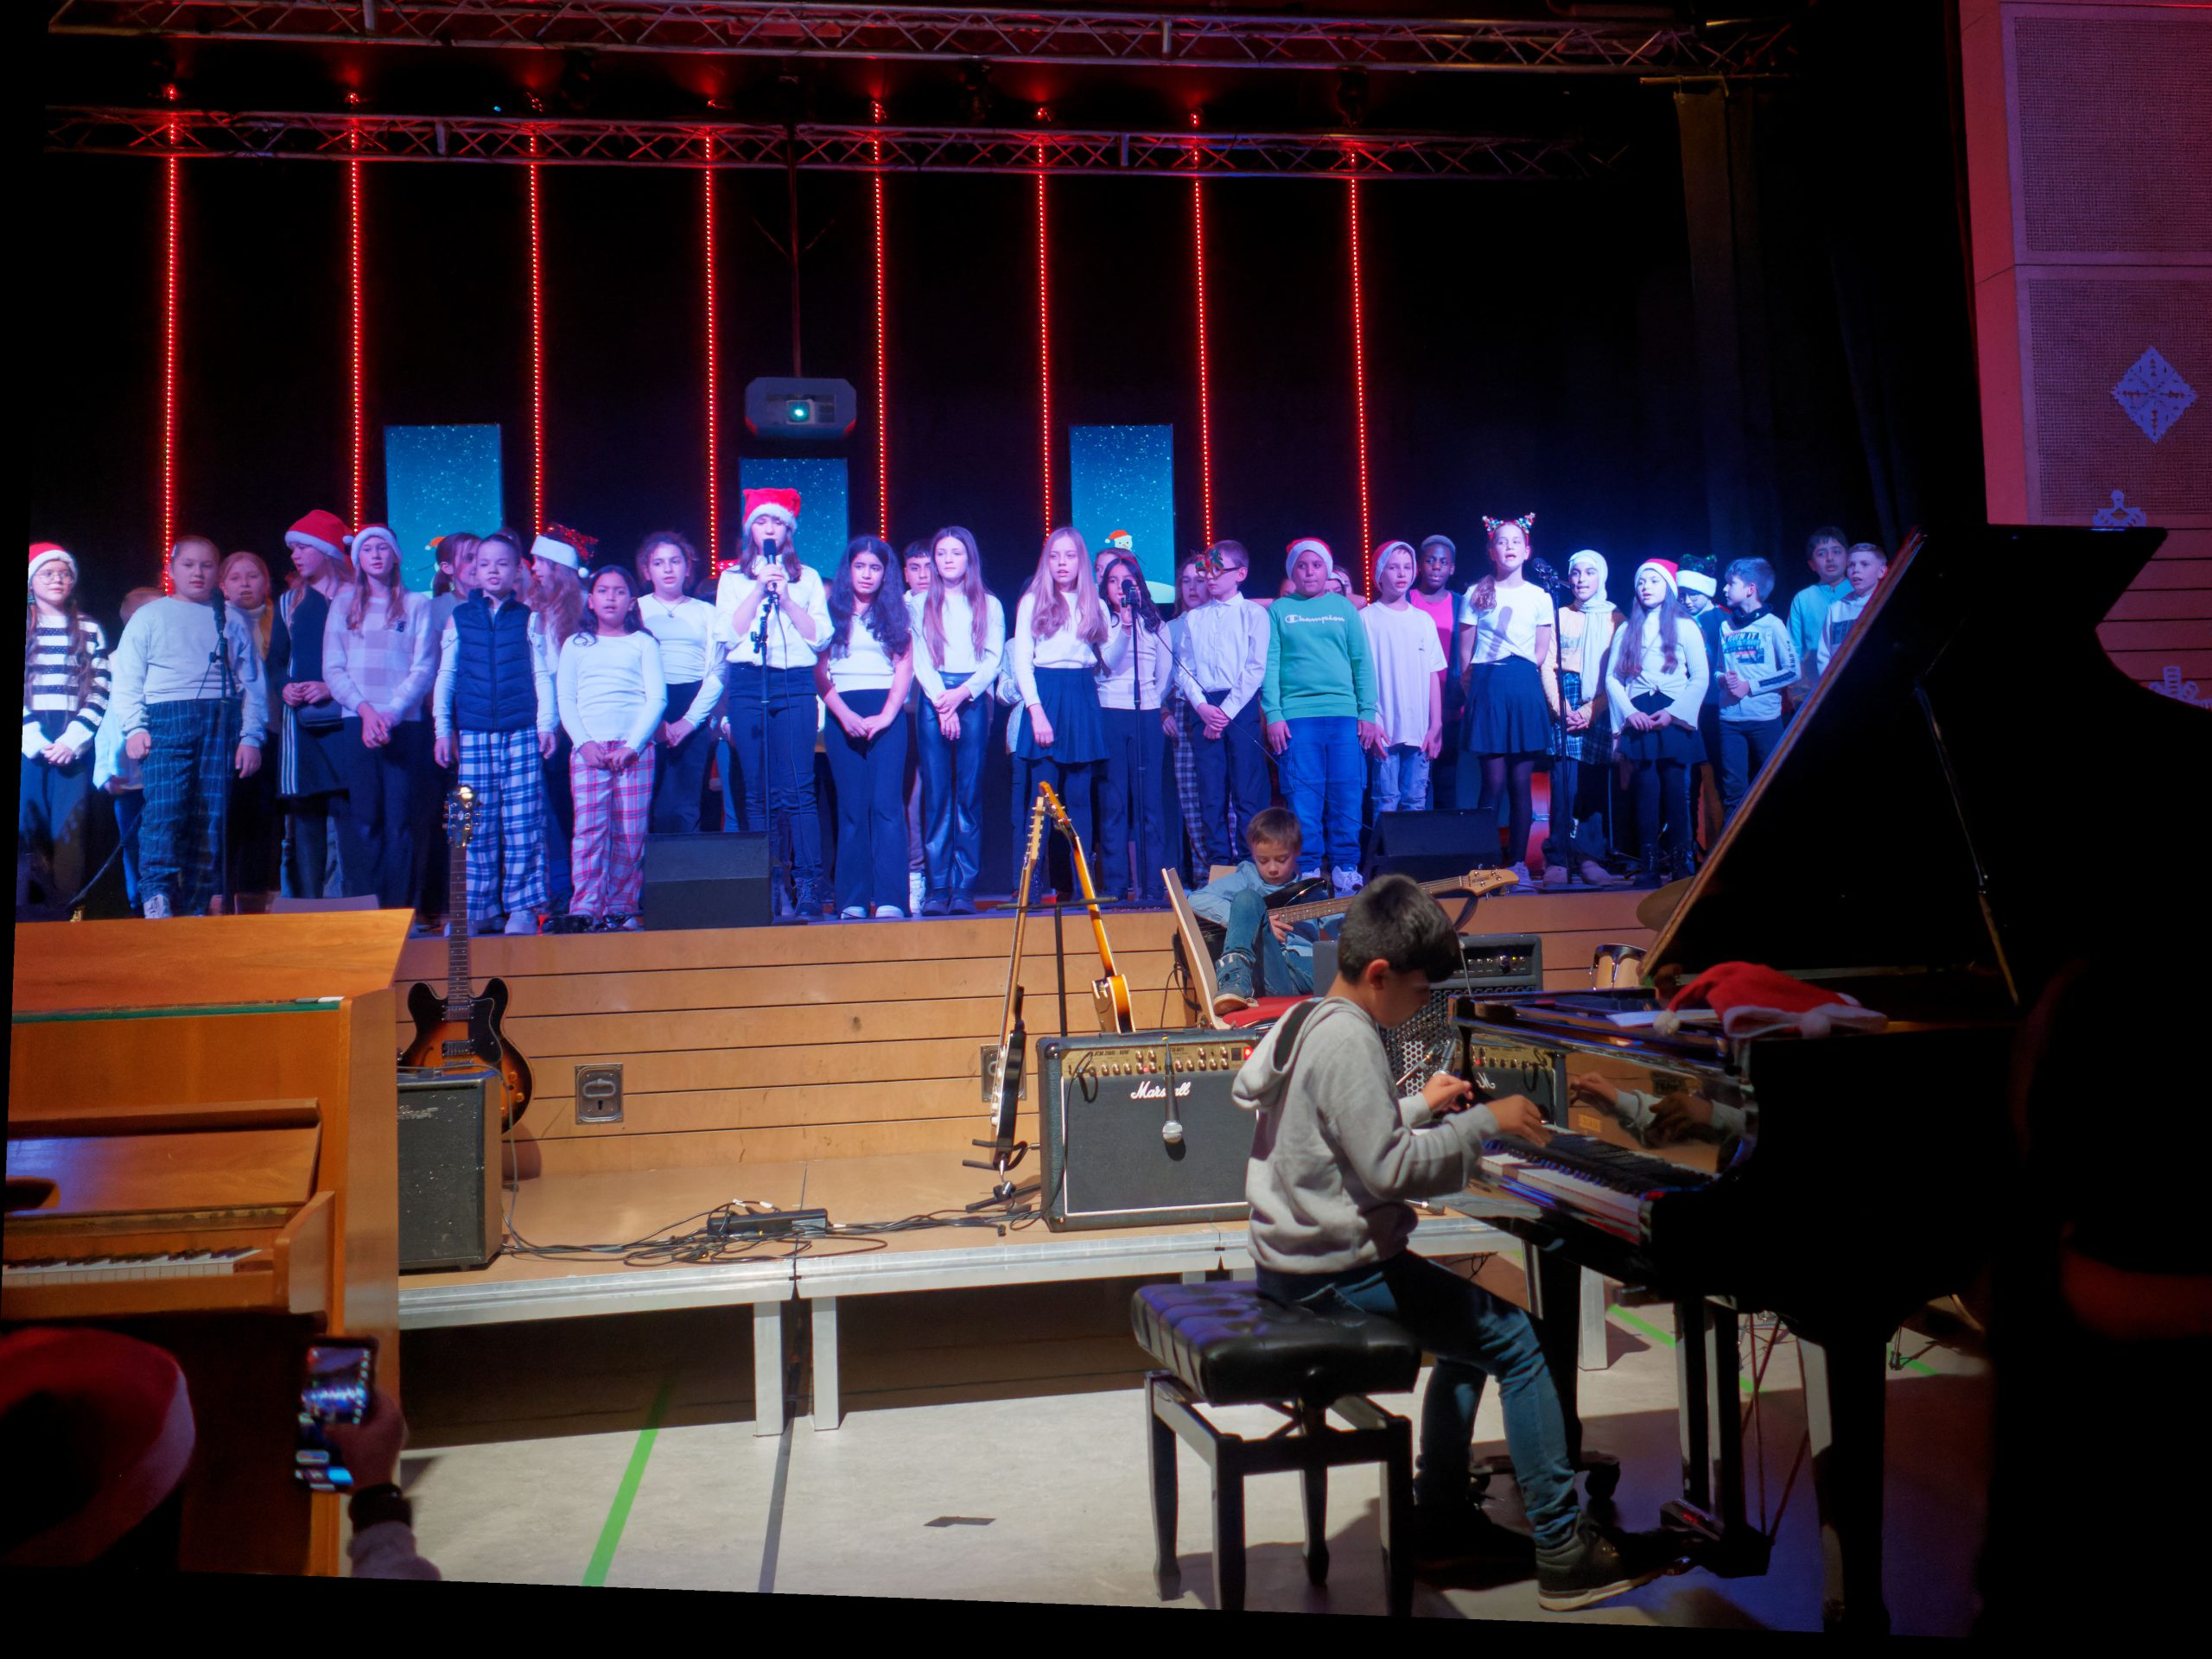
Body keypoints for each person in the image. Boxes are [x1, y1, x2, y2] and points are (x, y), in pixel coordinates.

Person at [1233, 874, 1681, 1605]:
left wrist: (1418, 1105)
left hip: (1296, 1264)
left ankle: (1441, 1515)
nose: (1422, 1006)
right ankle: (1563, 1549)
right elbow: (1389, 1170)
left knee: (1469, 1336)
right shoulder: (1351, 1041)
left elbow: (1340, 1133)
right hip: (1337, 1275)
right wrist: (1483, 1123)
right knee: (1522, 1343)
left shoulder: (1312, 1018)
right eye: (1419, 992)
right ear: (1380, 974)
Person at [103, 535, 268, 918]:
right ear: (171, 570)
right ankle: (157, 899)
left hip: (220, 720)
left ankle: (197, 906)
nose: (198, 573)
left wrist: (251, 736)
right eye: (189, 565)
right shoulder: (150, 616)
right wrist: (135, 727)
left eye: (206, 566)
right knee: (165, 810)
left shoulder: (230, 618)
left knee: (210, 817)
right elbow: (127, 676)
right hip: (166, 717)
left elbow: (253, 683)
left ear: (217, 572)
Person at [432, 529, 556, 934]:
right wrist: (442, 729)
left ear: (517, 569)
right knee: (472, 823)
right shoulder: (460, 618)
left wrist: (546, 723)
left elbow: (541, 674)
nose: (492, 570)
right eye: (484, 563)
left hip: (520, 731)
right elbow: (447, 675)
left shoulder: (529, 618)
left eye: (502, 564)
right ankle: (474, 907)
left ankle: (522, 908)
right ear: (472, 569)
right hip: (473, 733)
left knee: (523, 821)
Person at [714, 487, 831, 917]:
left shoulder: (808, 578)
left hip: (795, 683)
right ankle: (768, 886)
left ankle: (809, 886)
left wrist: (786, 597)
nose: (769, 529)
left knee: (798, 789)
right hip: (748, 683)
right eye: (761, 521)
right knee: (758, 793)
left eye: (777, 522)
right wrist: (758, 589)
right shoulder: (732, 579)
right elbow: (727, 634)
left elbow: (820, 637)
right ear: (751, 529)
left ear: (788, 531)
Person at [324, 523, 437, 911]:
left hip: (402, 723)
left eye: (382, 548)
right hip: (358, 721)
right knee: (365, 818)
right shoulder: (343, 604)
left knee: (400, 820)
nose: (375, 555)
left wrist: (392, 712)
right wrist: (365, 710)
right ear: (358, 559)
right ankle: (366, 909)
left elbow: (424, 667)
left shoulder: (417, 605)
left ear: (395, 556)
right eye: (367, 549)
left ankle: (399, 911)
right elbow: (333, 668)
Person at [1008, 525, 1127, 892]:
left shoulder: (1095, 605)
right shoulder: (1033, 601)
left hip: (1081, 695)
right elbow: (1022, 662)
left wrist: (1125, 626)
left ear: (1081, 562)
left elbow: (1109, 661)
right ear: (1047, 561)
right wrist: (1036, 711)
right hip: (1046, 695)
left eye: (1070, 556)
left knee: (1079, 800)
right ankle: (1028, 886)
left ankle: (1081, 887)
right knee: (1042, 799)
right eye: (1055, 556)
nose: (1062, 563)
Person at [1263, 537, 1380, 896]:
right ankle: (1310, 867)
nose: (1309, 572)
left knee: (1347, 791)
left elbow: (1362, 662)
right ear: (1292, 571)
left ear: (1327, 570)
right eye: (1302, 565)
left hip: (1344, 715)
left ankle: (1346, 866)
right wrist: (1274, 714)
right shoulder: (1280, 611)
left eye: (1316, 565)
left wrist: (1368, 712)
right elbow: (1270, 665)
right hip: (1297, 717)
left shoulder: (1344, 609)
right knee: (1304, 796)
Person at [556, 563, 665, 931]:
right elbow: (566, 699)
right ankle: (585, 906)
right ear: (590, 600)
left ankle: (621, 905)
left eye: (619, 591)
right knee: (589, 831)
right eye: (603, 591)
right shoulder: (576, 644)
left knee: (630, 833)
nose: (611, 598)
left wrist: (633, 745)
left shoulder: (643, 643)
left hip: (634, 751)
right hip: (589, 750)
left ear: (632, 601)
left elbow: (657, 698)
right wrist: (583, 743)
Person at [1455, 513, 1558, 892]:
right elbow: (1465, 655)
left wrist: (1520, 676)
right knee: (1492, 782)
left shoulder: (1539, 596)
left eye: (1516, 541)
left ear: (1527, 551)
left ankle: (1517, 865)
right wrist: (1478, 691)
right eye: (1502, 541)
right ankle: (1483, 866)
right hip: (1488, 684)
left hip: (1522, 685)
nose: (1510, 547)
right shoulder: (1475, 593)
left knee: (1520, 782)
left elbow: (1540, 652)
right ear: (1491, 551)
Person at [817, 536, 914, 918]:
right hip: (843, 712)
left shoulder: (896, 613)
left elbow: (904, 667)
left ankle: (891, 898)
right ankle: (853, 899)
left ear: (885, 573)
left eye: (875, 568)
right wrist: (844, 714)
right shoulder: (830, 614)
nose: (867, 574)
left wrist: (887, 715)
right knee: (852, 809)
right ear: (849, 570)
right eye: (860, 566)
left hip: (885, 714)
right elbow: (819, 673)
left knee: (887, 806)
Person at [911, 526, 1005, 916]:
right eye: (942, 553)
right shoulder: (919, 603)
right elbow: (919, 658)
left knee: (968, 794)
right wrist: (941, 701)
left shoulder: (988, 604)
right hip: (934, 697)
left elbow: (993, 659)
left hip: (971, 698)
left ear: (969, 558)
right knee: (937, 795)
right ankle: (937, 887)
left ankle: (963, 887)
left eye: (956, 553)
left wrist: (960, 695)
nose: (948, 560)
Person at [1166, 539, 1272, 874]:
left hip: (1239, 707)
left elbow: (1255, 668)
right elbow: (1184, 668)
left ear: (1240, 573)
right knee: (1210, 792)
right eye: (1205, 570)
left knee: (1246, 790)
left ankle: (1249, 865)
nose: (1208, 576)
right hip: (1204, 707)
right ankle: (1218, 866)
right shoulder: (1194, 618)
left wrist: (1225, 712)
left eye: (1216, 570)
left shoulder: (1253, 614)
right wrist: (1201, 707)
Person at [1603, 558, 1709, 887]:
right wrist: (1629, 712)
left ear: (1669, 587)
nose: (1646, 587)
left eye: (1654, 581)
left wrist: (1674, 713)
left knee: (1677, 790)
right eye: (1641, 582)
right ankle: (1648, 864)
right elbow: (1613, 678)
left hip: (1673, 712)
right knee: (1645, 791)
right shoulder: (1627, 629)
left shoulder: (1685, 625)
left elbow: (1700, 676)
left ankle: (1680, 862)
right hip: (1641, 714)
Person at [21, 543, 110, 919]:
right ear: (32, 581)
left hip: (72, 738)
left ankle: (66, 912)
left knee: (69, 830)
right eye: (48, 573)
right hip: (30, 738)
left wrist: (75, 739)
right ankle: (27, 913)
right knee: (28, 827)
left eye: (64, 574)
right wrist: (32, 738)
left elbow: (101, 688)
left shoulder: (89, 628)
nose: (57, 579)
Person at [274, 509, 355, 899]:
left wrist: (331, 687)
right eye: (293, 549)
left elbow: (363, 658)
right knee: (305, 814)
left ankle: (353, 900)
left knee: (348, 809)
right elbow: (276, 661)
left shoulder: (355, 598)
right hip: (301, 723)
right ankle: (309, 905)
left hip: (345, 719)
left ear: (326, 551)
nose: (295, 555)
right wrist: (285, 687)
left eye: (303, 547)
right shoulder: (289, 602)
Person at [1096, 550, 1174, 906]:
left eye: (1126, 581)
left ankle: (1152, 885)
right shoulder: (1103, 621)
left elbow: (1164, 674)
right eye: (1112, 581)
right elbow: (1108, 665)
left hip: (1146, 714)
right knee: (1114, 801)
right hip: (1111, 712)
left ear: (1138, 586)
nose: (1119, 587)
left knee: (1149, 803)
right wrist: (1125, 627)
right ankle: (1115, 885)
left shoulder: (1156, 625)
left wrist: (1154, 701)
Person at [633, 530, 724, 836]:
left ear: (688, 567)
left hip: (693, 705)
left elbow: (719, 669)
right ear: (647, 570)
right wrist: (654, 721)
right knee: (649, 803)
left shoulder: (706, 612)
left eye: (675, 561)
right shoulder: (636, 609)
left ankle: (686, 867)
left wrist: (691, 720)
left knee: (686, 805)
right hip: (647, 708)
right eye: (659, 563)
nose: (668, 569)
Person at [1541, 550, 1623, 888]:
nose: (1580, 579)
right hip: (1564, 698)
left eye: (1589, 572)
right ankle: (1558, 859)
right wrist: (1561, 707)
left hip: (1599, 701)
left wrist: (1591, 711)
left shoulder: (1616, 618)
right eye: (1575, 573)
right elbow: (1547, 665)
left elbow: (1617, 674)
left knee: (1592, 784)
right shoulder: (1559, 615)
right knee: (1564, 784)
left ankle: (1590, 857)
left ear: (1601, 576)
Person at [1193, 805, 1322, 1014]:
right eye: (1262, 860)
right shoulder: (1247, 877)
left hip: (1305, 970)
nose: (1272, 868)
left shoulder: (1313, 889)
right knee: (1247, 898)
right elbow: (1196, 899)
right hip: (1266, 973)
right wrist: (1254, 920)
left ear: (1297, 851)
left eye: (1281, 859)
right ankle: (1234, 978)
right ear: (1253, 854)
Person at [524, 526, 590, 915]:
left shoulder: (586, 606)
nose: (534, 568)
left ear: (559, 567)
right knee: (555, 805)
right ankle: (562, 888)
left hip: (584, 716)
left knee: (583, 806)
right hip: (550, 718)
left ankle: (591, 886)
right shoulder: (535, 612)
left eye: (541, 562)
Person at [213, 551, 283, 912]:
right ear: (223, 586)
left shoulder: (281, 618)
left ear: (266, 582)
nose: (244, 584)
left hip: (276, 730)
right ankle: (222, 898)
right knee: (230, 817)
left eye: (253, 576)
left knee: (264, 819)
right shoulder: (216, 620)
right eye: (235, 577)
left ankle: (258, 899)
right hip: (229, 735)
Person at [418, 532, 479, 930]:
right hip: (450, 724)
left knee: (481, 814)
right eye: (468, 558)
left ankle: (481, 900)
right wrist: (445, 727)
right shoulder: (437, 609)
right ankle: (445, 902)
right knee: (453, 813)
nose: (477, 565)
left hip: (485, 722)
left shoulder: (498, 605)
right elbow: (431, 669)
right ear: (448, 568)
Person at [1361, 541, 1446, 816]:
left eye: (1407, 567)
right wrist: (1370, 719)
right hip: (1384, 728)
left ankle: (1413, 848)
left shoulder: (1423, 620)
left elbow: (1433, 674)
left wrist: (1436, 724)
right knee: (1386, 801)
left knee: (1416, 801)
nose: (1401, 573)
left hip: (1419, 731)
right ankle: (1383, 847)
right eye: (1393, 567)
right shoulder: (1366, 619)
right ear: (1378, 573)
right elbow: (1360, 675)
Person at [1713, 557, 1799, 827]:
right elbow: (1718, 669)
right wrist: (1724, 680)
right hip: (1730, 721)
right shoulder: (1726, 626)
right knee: (1733, 790)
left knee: (1772, 784)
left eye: (1731, 583)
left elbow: (1792, 671)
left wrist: (1750, 686)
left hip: (1765, 720)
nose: (1725, 589)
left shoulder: (1772, 625)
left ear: (1751, 589)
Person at [93, 587, 162, 913]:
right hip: (128, 779)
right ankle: (139, 909)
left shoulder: (168, 661)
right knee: (133, 848)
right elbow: (103, 723)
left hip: (167, 774)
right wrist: (104, 771)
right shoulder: (112, 663)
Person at [1161, 553, 1217, 883]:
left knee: (1219, 795)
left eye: (1200, 580)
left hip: (1218, 710)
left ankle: (1228, 870)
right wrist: (1163, 710)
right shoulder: (1170, 628)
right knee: (1190, 797)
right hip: (1183, 711)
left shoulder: (1221, 619)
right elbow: (1161, 678)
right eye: (1186, 581)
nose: (1193, 587)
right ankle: (1201, 874)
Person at [899, 538, 938, 915]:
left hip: (944, 709)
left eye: (929, 567)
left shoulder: (950, 604)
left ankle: (945, 878)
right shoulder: (896, 608)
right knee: (909, 800)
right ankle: (914, 875)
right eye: (915, 568)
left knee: (943, 796)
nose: (923, 575)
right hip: (906, 713)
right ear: (905, 573)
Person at [1413, 535, 1461, 808]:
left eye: (1443, 562)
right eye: (1430, 560)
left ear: (1452, 568)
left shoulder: (1461, 604)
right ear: (1420, 565)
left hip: (1450, 705)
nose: (1436, 567)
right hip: (1414, 704)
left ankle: (1445, 834)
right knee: (1413, 782)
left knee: (1446, 780)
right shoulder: (1406, 599)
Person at [1783, 526, 1850, 714]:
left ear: (1847, 557)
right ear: (1812, 564)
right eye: (1821, 554)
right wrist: (1796, 692)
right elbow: (1792, 649)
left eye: (1836, 551)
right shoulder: (1803, 598)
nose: (1830, 558)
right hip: (1816, 690)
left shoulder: (1860, 591)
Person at [1812, 542, 1888, 684]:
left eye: (1864, 564)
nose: (1856, 570)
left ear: (1882, 572)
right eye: (1851, 565)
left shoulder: (1886, 603)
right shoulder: (1836, 609)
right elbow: (1824, 655)